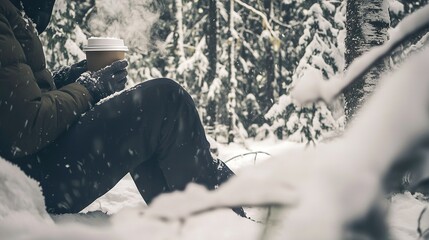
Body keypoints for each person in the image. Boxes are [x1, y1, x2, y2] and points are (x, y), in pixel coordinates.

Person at [0, 0, 245, 216]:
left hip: (32, 167)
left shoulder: (12, 8)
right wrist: (88, 89)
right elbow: (24, 128)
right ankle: (218, 223)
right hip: (25, 182)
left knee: (145, 117)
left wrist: (67, 79)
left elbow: (18, 99)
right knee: (165, 101)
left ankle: (193, 221)